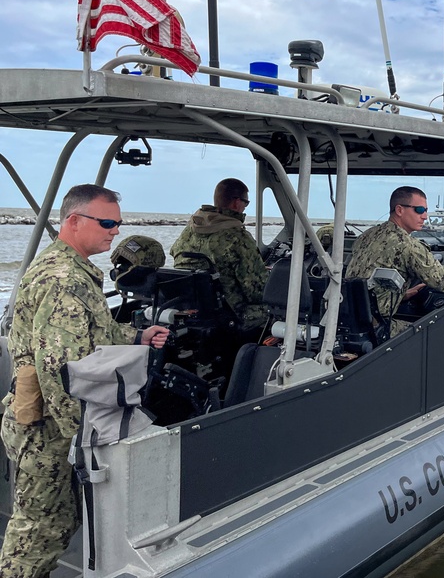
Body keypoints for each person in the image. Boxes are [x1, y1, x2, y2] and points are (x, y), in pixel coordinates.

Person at [0, 184, 170, 578]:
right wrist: (87, 438)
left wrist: (136, 336)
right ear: (74, 221)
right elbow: (61, 371)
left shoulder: (70, 269)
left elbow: (90, 332)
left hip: (44, 421)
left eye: (118, 224)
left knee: (51, 522)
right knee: (39, 531)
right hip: (48, 428)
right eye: (107, 223)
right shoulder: (65, 280)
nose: (115, 232)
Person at [345, 186, 444, 337]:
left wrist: (402, 294)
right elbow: (440, 280)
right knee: (438, 333)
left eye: (425, 210)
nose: (424, 216)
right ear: (399, 210)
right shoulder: (408, 245)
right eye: (419, 210)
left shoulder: (367, 236)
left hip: (348, 320)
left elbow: (368, 278)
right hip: (376, 326)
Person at [170, 178, 268, 330]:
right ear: (236, 202)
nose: (245, 207)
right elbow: (258, 292)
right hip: (233, 315)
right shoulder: (238, 236)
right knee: (283, 309)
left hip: (191, 309)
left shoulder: (191, 228)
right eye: (246, 203)